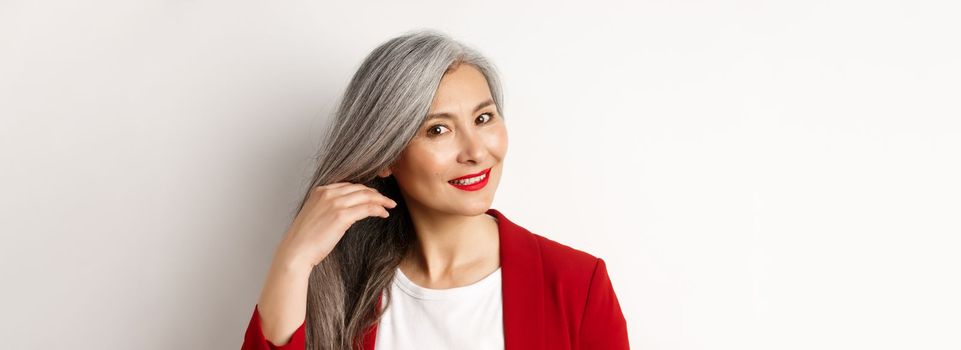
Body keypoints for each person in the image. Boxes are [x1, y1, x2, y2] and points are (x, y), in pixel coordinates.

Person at [240, 29, 629, 350]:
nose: (477, 152)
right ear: (384, 156)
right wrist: (293, 260)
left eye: (483, 117)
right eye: (438, 129)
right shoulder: (342, 288)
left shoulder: (577, 284)